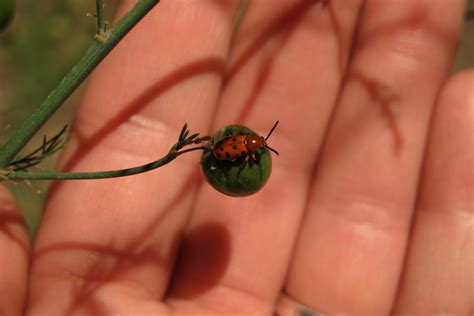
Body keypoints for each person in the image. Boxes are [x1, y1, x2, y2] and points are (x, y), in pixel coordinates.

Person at [1, 1, 472, 315]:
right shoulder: (232, 148)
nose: (250, 148)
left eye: (251, 147)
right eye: (253, 146)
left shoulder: (240, 148)